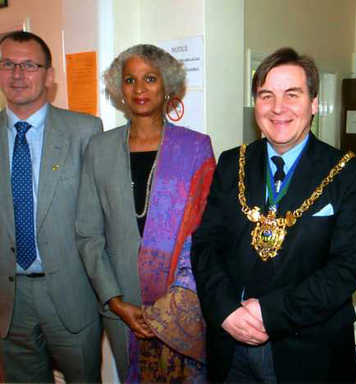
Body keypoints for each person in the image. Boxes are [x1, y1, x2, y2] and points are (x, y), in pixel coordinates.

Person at [191, 47, 356, 383]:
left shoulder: (349, 173)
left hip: (308, 352)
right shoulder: (233, 163)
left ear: (314, 103)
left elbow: (350, 265)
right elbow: (205, 245)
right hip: (229, 344)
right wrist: (225, 309)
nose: (278, 108)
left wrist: (270, 313)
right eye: (266, 96)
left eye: (292, 95)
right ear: (255, 104)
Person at [76, 44, 215, 383]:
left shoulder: (195, 147)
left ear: (167, 85)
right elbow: (88, 234)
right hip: (120, 305)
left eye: (150, 79)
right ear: (118, 88)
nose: (139, 89)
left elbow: (208, 231)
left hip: (182, 302)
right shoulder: (99, 148)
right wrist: (116, 300)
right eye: (130, 80)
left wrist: (175, 304)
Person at [0, 31, 102, 382]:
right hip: (7, 297)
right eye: (8, 64)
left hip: (71, 293)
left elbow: (97, 214)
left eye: (29, 65)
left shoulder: (85, 131)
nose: (18, 74)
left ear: (49, 74)